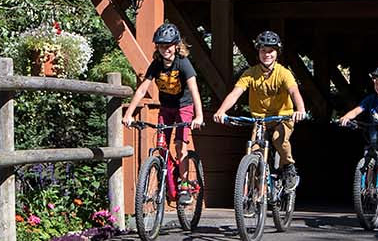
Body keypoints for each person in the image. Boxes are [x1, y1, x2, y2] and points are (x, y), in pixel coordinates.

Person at [213, 29, 308, 191]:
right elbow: (235, 93)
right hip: (260, 120)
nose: (267, 55)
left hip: (282, 117)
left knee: (279, 139)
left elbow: (294, 91)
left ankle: (288, 168)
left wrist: (300, 109)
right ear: (258, 52)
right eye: (263, 51)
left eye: (270, 51)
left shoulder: (284, 73)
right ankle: (254, 186)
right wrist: (221, 111)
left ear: (277, 53)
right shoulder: (250, 73)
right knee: (254, 148)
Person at [123, 23, 206, 206]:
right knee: (161, 146)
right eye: (161, 46)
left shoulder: (183, 63)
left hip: (184, 107)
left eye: (168, 46)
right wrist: (129, 114)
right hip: (166, 108)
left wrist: (198, 116)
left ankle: (184, 186)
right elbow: (142, 89)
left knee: (179, 145)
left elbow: (194, 90)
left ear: (176, 45)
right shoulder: (156, 64)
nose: (165, 49)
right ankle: (163, 177)